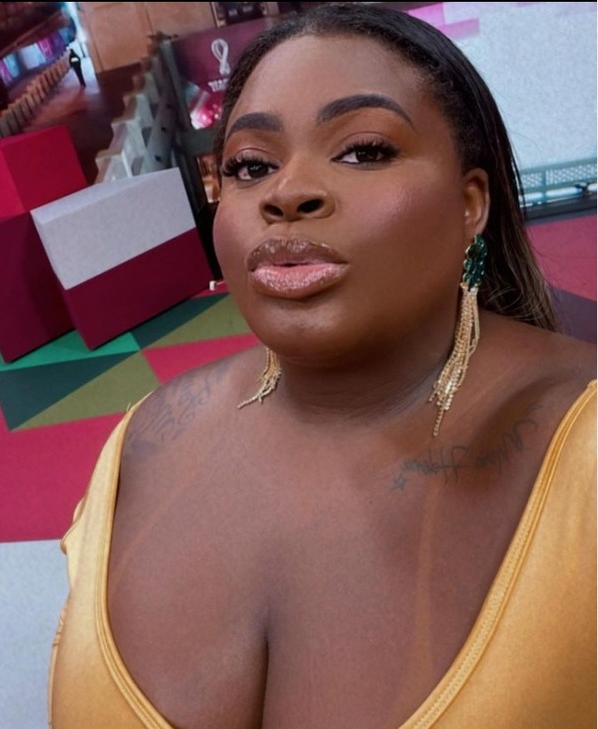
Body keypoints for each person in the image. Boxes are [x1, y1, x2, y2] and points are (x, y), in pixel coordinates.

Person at [49, 4, 596, 728]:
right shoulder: (138, 443)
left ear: (471, 204)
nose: (286, 193)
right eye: (251, 165)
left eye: (363, 151)